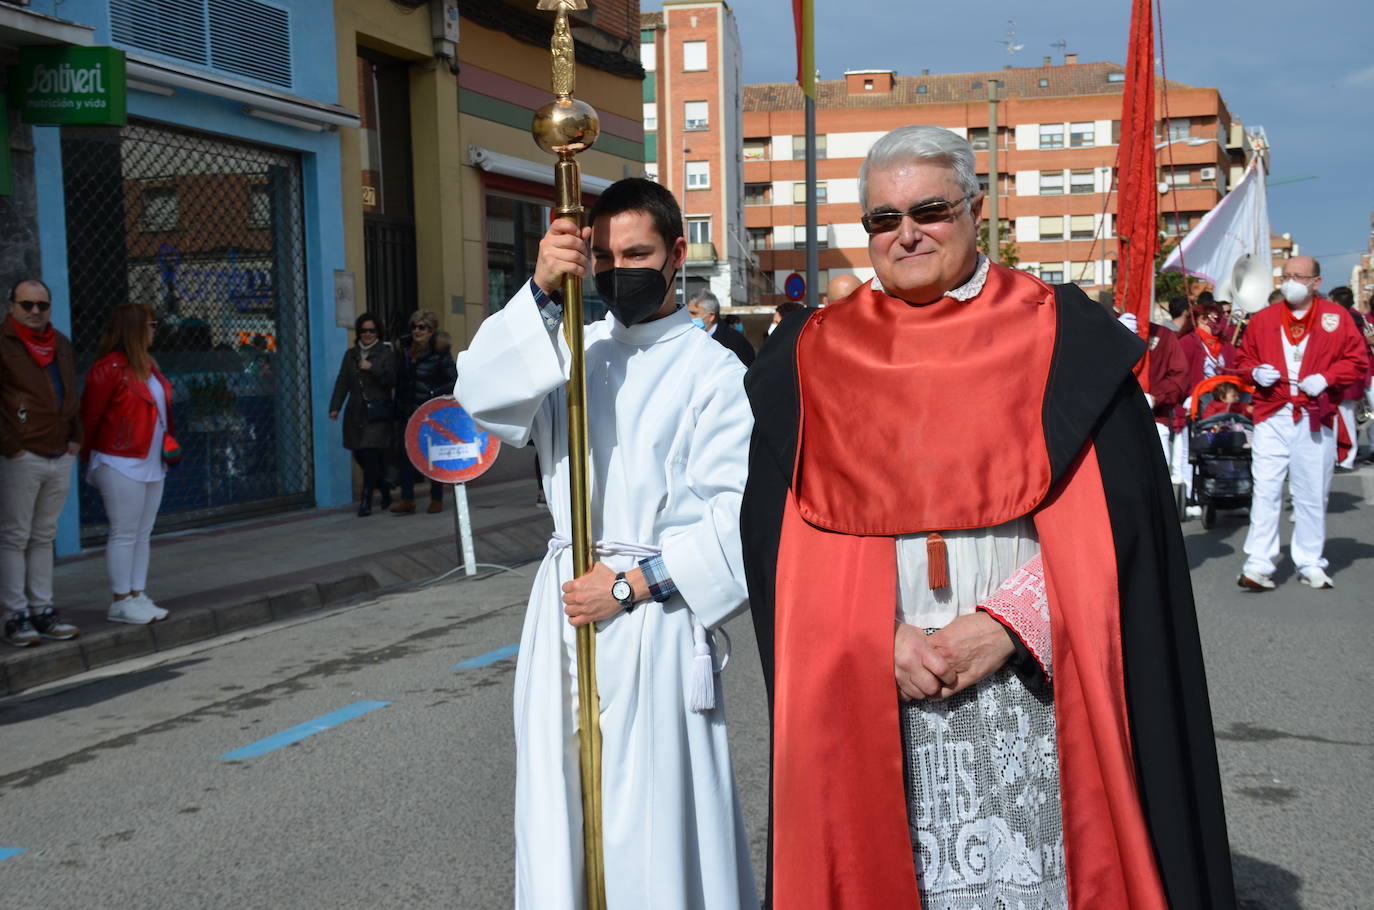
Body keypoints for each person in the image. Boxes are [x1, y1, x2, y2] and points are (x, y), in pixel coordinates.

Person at [741, 126, 1234, 908]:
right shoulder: (811, 357)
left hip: (1035, 685)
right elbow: (784, 557)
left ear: (976, 210)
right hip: (880, 688)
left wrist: (1009, 626)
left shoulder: (1063, 337)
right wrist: (877, 638)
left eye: (930, 210)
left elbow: (1121, 531)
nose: (906, 233)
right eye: (881, 218)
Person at [455, 177, 757, 910]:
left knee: (649, 825)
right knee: (560, 810)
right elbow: (481, 395)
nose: (621, 269)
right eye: (605, 255)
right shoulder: (572, 353)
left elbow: (742, 522)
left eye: (639, 252)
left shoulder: (716, 373)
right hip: (563, 608)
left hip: (651, 616)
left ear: (677, 254)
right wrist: (535, 288)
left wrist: (628, 586)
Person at [1235, 257, 1370, 590]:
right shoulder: (1263, 320)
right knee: (1265, 489)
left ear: (1316, 282)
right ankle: (1258, 564)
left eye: (1298, 276)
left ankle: (1310, 560)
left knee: (1311, 492)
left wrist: (1327, 377)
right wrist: (1254, 372)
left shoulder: (1335, 318)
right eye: (1286, 275)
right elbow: (1242, 360)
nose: (1290, 281)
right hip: (1272, 414)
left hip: (1313, 415)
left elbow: (1358, 361)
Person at [80, 304, 174, 624]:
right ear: (134, 328)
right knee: (123, 532)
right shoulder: (108, 368)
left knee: (142, 532)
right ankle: (120, 599)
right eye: (150, 324)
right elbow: (90, 416)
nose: (154, 330)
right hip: (119, 460)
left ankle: (137, 593)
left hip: (150, 460)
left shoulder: (148, 366)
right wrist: (87, 456)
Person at [1, 279, 82, 646]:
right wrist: (11, 445)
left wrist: (76, 437)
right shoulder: (3, 343)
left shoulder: (60, 343)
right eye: (27, 305)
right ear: (11, 306)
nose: (35, 312)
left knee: (43, 536)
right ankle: (15, 615)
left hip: (59, 451)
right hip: (22, 453)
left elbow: (70, 390)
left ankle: (43, 611)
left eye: (42, 305)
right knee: (15, 536)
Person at [329, 312, 397, 516]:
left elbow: (391, 380)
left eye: (372, 330)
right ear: (359, 332)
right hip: (356, 413)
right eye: (364, 330)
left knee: (370, 455)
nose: (367, 334)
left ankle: (366, 500)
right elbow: (342, 382)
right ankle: (384, 489)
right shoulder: (350, 354)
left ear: (378, 332)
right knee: (359, 454)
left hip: (377, 413)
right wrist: (335, 406)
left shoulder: (385, 353)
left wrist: (372, 368)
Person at [390, 310, 456, 514]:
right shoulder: (404, 349)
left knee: (433, 454)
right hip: (407, 410)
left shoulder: (440, 351)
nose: (417, 331)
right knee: (406, 454)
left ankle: (436, 498)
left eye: (423, 327)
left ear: (432, 330)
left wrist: (432, 392)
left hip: (430, 412)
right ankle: (407, 499)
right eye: (414, 326)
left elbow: (453, 380)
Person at [1175, 298, 1240, 499]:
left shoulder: (1226, 346)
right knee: (1191, 448)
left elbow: (1237, 371)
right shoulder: (1187, 342)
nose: (1214, 320)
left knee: (1226, 445)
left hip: (1224, 405)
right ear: (1199, 319)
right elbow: (1179, 374)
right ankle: (1191, 492)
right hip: (1193, 404)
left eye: (1216, 316)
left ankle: (1230, 490)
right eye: (1208, 316)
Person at [1327, 286, 1370, 469]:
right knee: (1343, 419)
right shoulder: (1352, 316)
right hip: (1347, 378)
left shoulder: (1348, 318)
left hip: (1346, 379)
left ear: (1337, 301)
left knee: (1345, 419)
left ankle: (1346, 457)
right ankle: (1343, 455)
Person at [688, 289, 755, 366]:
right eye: (688, 312)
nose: (689, 317)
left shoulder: (734, 342)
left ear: (711, 316)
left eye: (694, 313)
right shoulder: (690, 338)